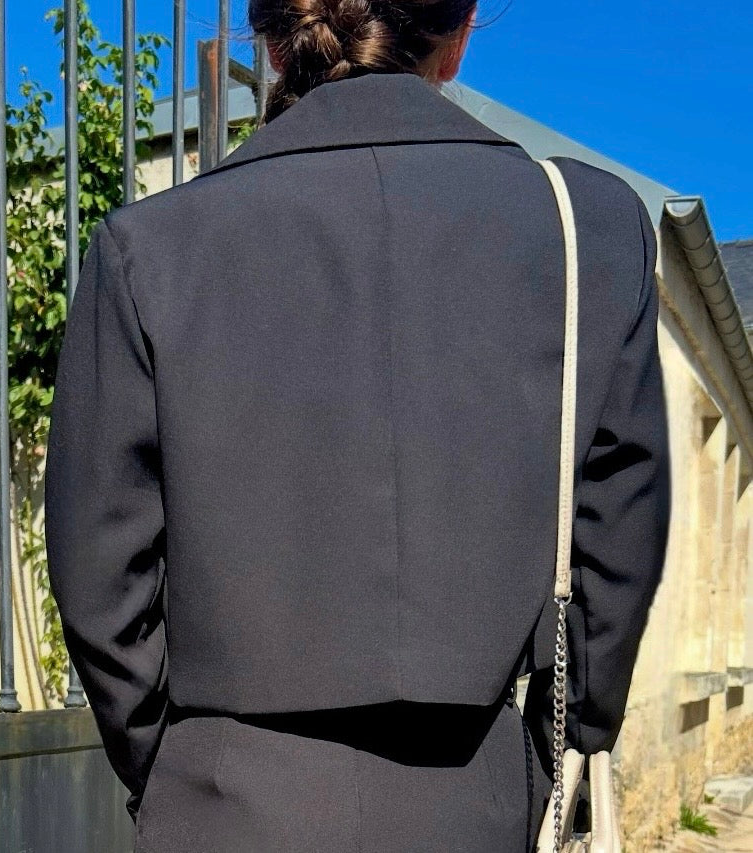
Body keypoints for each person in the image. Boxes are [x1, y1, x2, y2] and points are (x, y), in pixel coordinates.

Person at [43, 1, 672, 850]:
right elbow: (616, 537)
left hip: (224, 801)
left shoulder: (147, 248)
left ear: (273, 43)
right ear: (459, 33)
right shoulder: (583, 232)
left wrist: (174, 765)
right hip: (479, 796)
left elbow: (98, 566)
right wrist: (549, 751)